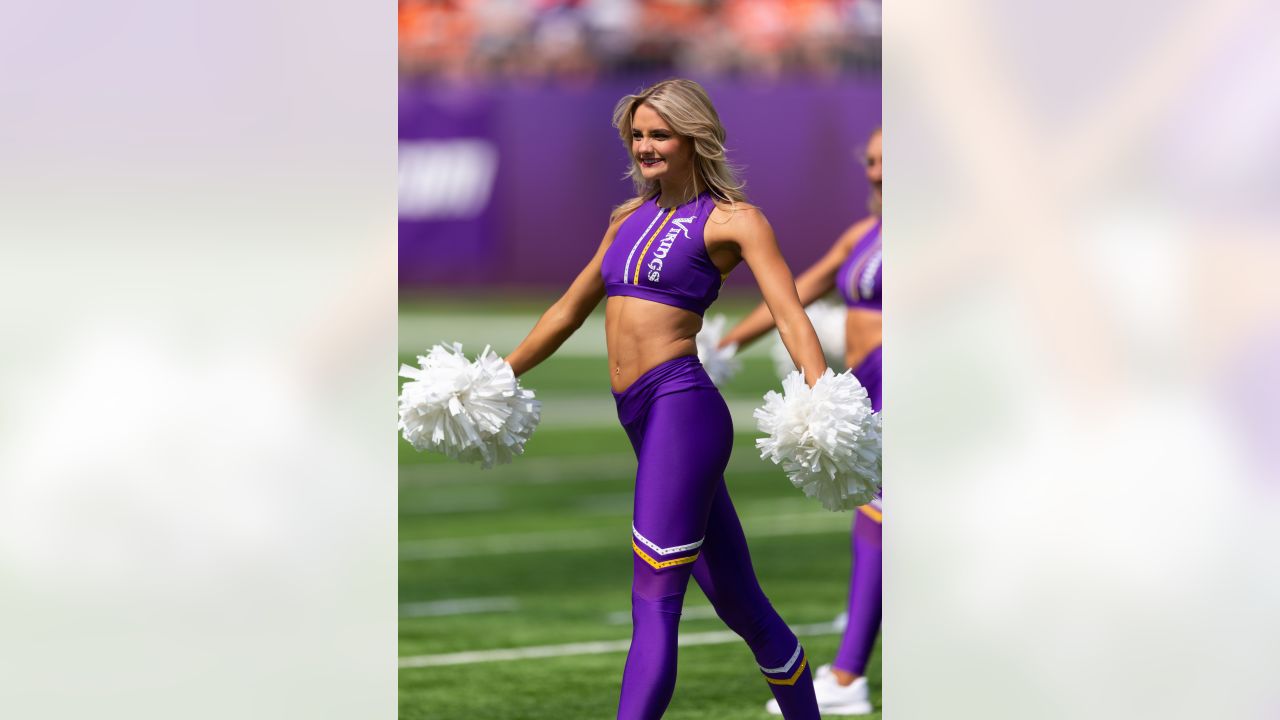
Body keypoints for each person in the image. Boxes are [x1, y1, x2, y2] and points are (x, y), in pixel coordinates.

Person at [503, 79, 828, 719]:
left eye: (660, 134)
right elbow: (568, 309)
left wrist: (826, 400)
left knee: (653, 598)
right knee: (743, 606)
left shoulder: (735, 219)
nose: (645, 146)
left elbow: (789, 314)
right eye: (638, 135)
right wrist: (492, 378)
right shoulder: (627, 217)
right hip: (639, 417)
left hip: (683, 409)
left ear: (693, 139)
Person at [720, 127, 882, 716]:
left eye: (892, 161)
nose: (878, 173)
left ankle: (847, 675)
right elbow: (793, 293)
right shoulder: (862, 237)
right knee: (877, 519)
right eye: (871, 161)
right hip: (867, 385)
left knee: (878, 518)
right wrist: (728, 343)